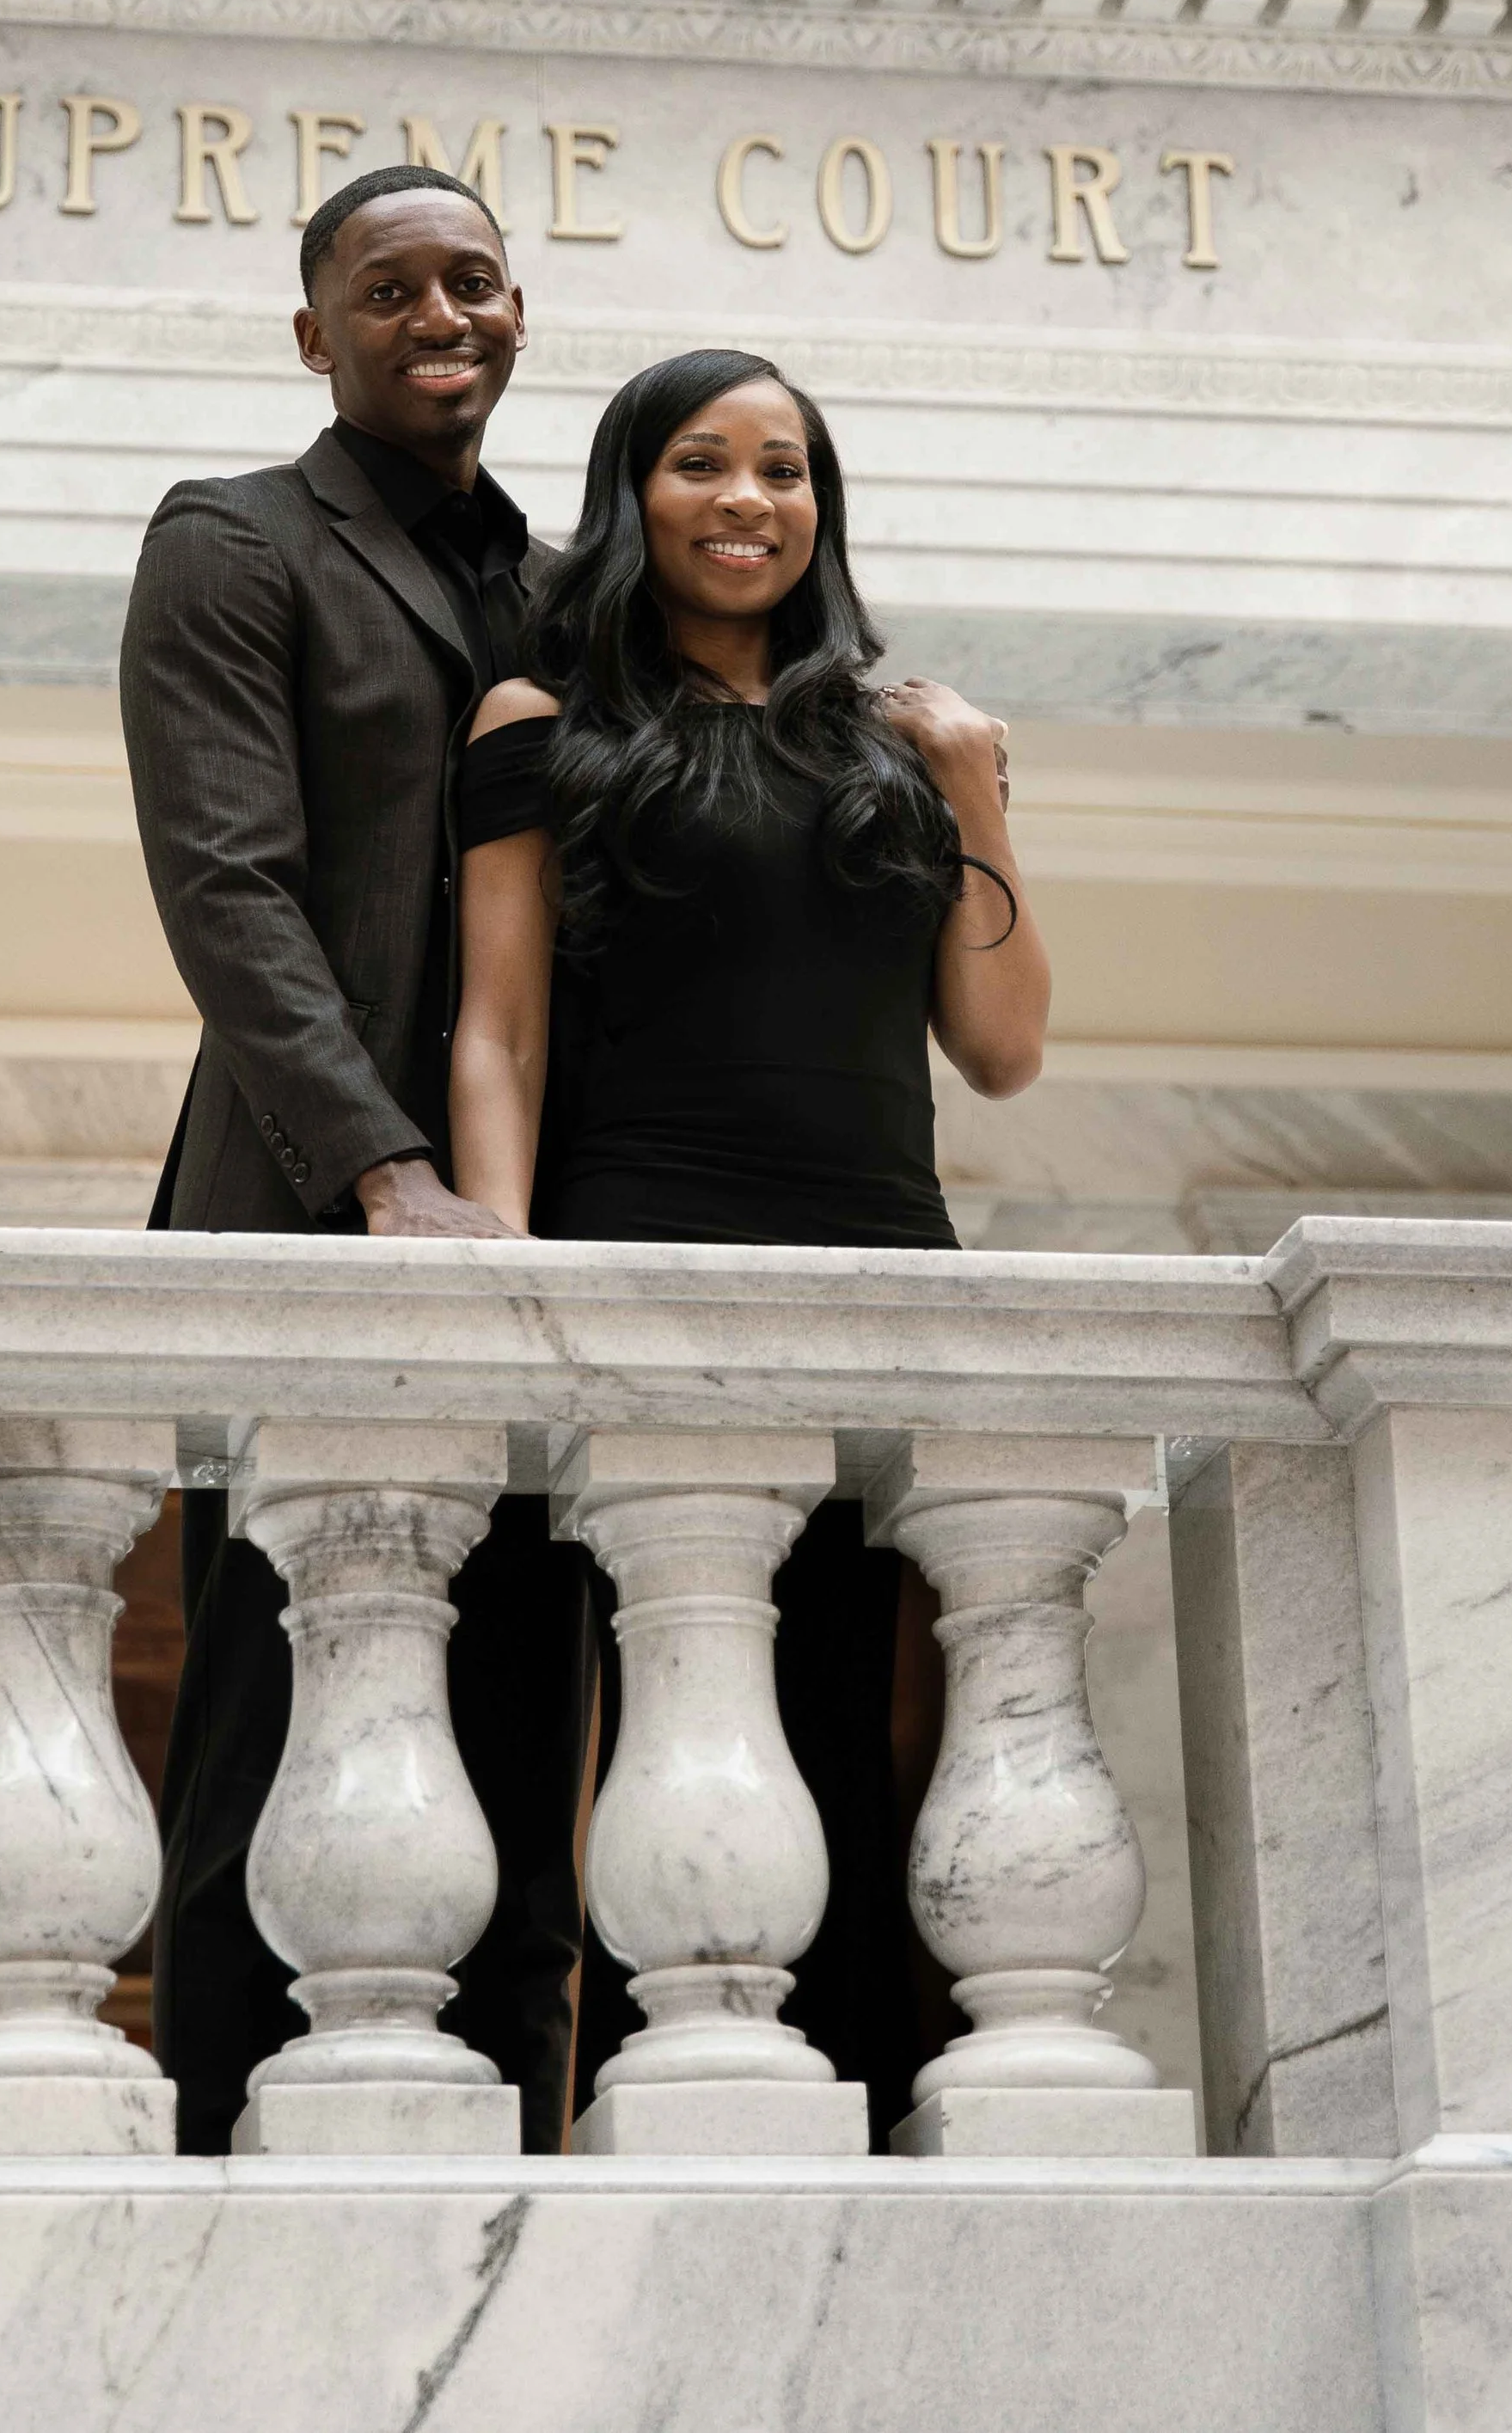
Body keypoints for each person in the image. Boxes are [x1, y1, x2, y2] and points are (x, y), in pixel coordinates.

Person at [447, 346, 1050, 2140]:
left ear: (820, 509)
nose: (747, 500)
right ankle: (666, 2119)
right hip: (640, 1255)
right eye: (702, 463)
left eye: (783, 471)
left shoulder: (900, 740)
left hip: (875, 1267)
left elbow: (1003, 1049)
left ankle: (854, 2138)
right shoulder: (534, 728)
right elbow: (498, 1027)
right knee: (673, 1717)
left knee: (845, 1730)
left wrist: (968, 783)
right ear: (632, 494)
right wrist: (500, 1265)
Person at [119, 162, 597, 2155]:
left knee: (528, 1731)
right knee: (276, 1727)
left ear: (517, 317)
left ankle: (511, 2204)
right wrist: (383, 1170)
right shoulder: (234, 543)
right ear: (311, 332)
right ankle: (223, 2165)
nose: (440, 315)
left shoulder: (580, 588)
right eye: (388, 287)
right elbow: (227, 886)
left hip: (559, 1231)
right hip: (315, 1208)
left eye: (473, 281)